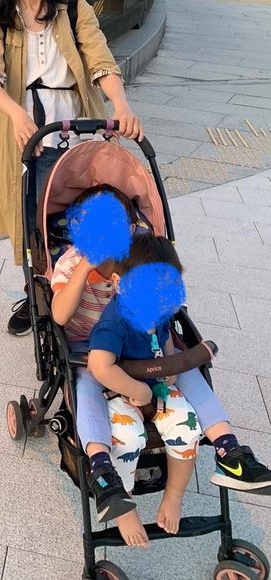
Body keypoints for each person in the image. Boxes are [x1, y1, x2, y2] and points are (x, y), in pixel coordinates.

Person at [51, 198, 271, 546]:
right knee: (89, 388)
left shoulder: (139, 256)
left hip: (145, 347)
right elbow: (61, 317)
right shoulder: (73, 262)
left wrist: (169, 363)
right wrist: (85, 266)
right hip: (91, 347)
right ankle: (105, 473)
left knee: (186, 370)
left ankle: (229, 450)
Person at [0, 0, 143, 336]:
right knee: (32, 222)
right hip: (22, 134)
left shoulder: (75, 9)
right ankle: (37, 295)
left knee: (82, 215)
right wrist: (17, 114)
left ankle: (89, 289)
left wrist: (121, 105)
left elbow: (101, 61)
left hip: (75, 130)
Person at [88, 235, 201, 548]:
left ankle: (174, 495)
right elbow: (99, 365)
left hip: (157, 386)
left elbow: (165, 342)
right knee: (126, 439)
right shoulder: (116, 320)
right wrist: (136, 389)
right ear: (119, 284)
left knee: (188, 427)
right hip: (120, 390)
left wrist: (171, 368)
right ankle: (123, 506)